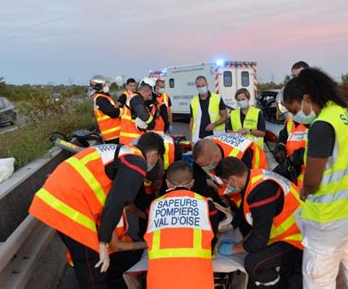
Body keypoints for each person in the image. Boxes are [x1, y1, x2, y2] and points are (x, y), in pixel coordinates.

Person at [282, 68, 348, 289]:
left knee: (318, 275)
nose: (293, 115)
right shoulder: (343, 113)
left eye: (294, 109)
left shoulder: (322, 126)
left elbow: (312, 182)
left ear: (307, 99)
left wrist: (304, 191)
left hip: (332, 217)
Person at [29, 132, 165, 288]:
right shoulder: (137, 162)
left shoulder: (124, 151)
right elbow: (116, 202)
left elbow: (123, 202)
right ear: (154, 154)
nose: (154, 163)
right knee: (92, 265)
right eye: (157, 159)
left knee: (90, 262)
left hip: (62, 195)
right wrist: (102, 243)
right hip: (71, 202)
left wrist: (146, 215)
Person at [215, 157, 303, 288]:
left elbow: (258, 240)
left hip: (299, 239)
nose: (228, 187)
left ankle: (280, 284)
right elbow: (258, 225)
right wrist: (241, 244)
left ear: (233, 179)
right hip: (292, 231)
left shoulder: (261, 193)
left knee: (253, 264)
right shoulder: (255, 177)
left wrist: (234, 249)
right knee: (251, 249)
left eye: (227, 183)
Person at [144, 161, 223, 289]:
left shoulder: (153, 206)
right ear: (192, 183)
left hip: (160, 280)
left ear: (167, 182)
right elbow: (213, 236)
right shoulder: (206, 204)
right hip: (197, 278)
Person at [191, 133, 268, 204]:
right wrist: (207, 200)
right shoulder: (203, 153)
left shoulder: (241, 158)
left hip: (255, 175)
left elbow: (243, 187)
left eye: (207, 165)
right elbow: (199, 179)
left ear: (216, 158)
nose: (206, 168)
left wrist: (222, 194)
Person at [273, 116, 310, 188]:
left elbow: (321, 149)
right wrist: (280, 149)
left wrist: (294, 158)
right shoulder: (290, 122)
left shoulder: (318, 122)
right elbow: (283, 138)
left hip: (310, 182)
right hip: (291, 179)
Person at [190, 76, 228, 144]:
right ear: (196, 87)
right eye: (199, 86)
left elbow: (225, 116)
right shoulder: (193, 101)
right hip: (199, 138)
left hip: (216, 136)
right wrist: (192, 139)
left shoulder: (217, 98)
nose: (201, 88)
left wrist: (214, 124)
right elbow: (192, 121)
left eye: (203, 85)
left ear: (207, 85)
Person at [119, 79, 156, 145]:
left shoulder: (137, 99)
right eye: (151, 93)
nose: (152, 96)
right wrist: (152, 123)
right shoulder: (136, 98)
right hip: (130, 142)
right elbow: (142, 113)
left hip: (131, 141)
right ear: (146, 91)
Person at [89, 76, 121, 144]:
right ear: (98, 87)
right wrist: (122, 111)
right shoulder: (100, 99)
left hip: (114, 134)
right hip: (112, 135)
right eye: (105, 85)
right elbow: (113, 112)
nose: (107, 86)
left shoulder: (103, 97)